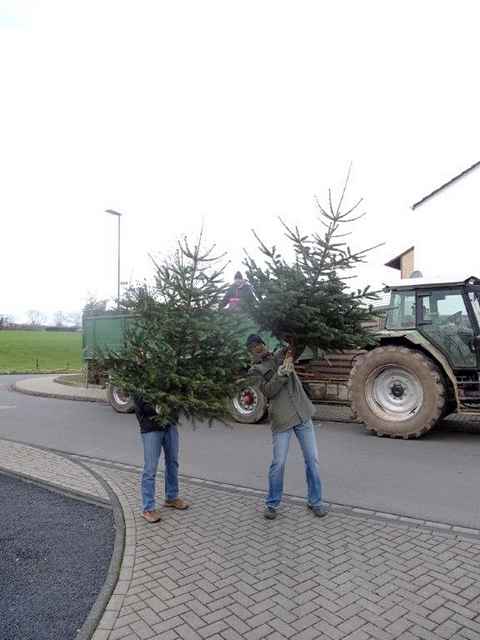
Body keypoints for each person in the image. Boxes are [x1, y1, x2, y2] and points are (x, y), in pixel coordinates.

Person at [246, 334, 328, 520]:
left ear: (264, 343)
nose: (258, 347)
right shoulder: (254, 371)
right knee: (279, 462)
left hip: (302, 414)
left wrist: (293, 335)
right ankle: (272, 504)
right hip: (282, 419)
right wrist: (281, 373)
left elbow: (296, 346)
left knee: (312, 460)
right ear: (250, 351)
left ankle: (315, 502)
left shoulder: (279, 355)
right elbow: (267, 391)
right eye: (254, 346)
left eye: (259, 343)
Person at [133, 394, 189, 523]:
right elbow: (141, 403)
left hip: (170, 425)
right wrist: (161, 408)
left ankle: (171, 497)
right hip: (151, 429)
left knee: (173, 462)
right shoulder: (141, 379)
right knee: (150, 469)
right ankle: (148, 509)